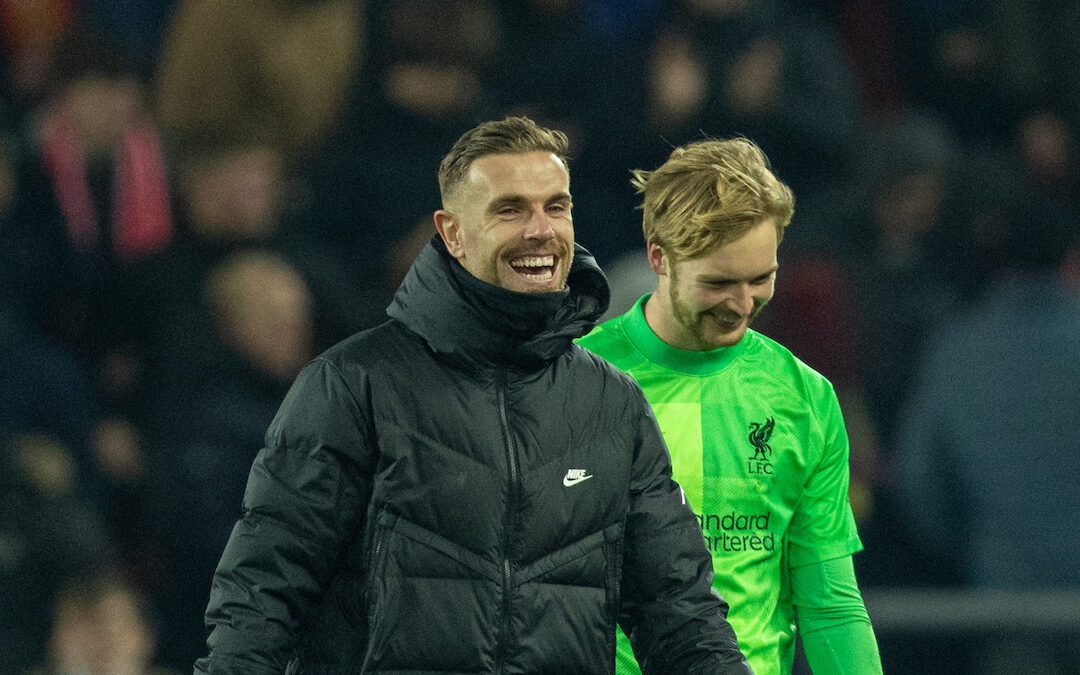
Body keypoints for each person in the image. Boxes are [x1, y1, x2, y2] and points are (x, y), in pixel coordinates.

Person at [194, 116, 752, 674]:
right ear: (453, 232)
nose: (540, 230)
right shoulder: (353, 386)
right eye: (510, 209)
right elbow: (262, 598)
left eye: (555, 207)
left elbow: (681, 615)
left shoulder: (614, 407)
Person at [578, 137, 883, 675]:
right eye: (719, 282)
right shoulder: (574, 380)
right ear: (658, 257)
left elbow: (830, 602)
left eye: (761, 278)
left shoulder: (803, 397)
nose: (743, 305)